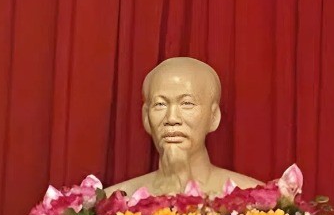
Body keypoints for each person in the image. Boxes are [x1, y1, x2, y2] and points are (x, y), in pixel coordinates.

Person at [109, 57, 261, 197]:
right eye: (160, 104)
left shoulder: (255, 199)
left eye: (187, 104)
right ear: (146, 117)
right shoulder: (112, 201)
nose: (172, 119)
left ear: (214, 117)